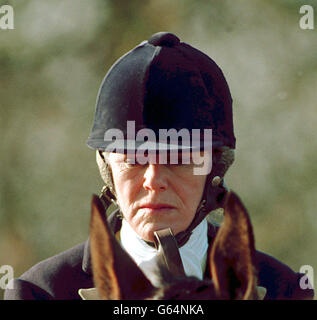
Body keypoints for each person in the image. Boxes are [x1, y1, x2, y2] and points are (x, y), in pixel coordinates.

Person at [4, 32, 314, 300]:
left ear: (214, 171)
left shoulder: (284, 290)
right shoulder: (41, 293)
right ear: (109, 169)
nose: (153, 180)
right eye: (135, 160)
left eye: (178, 159)